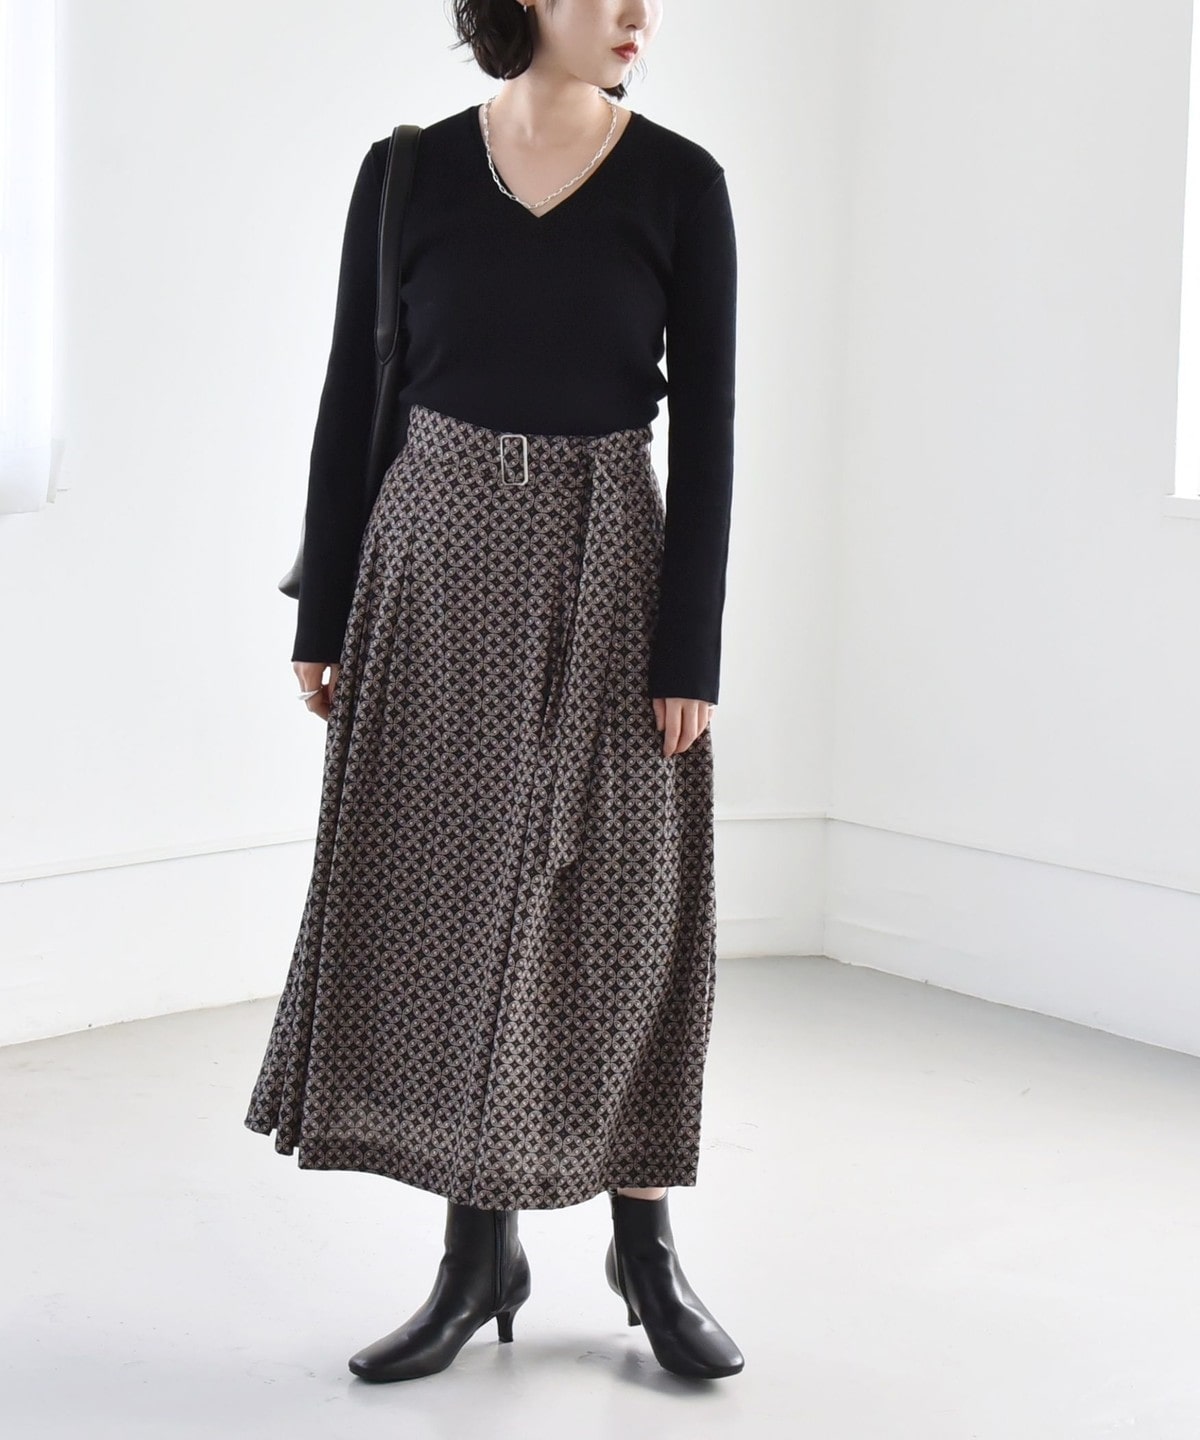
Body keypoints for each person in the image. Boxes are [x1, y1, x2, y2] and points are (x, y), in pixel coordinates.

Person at [244, 0, 742, 1383]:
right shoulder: (406, 174)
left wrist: (689, 649)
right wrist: (326, 611)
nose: (638, 14)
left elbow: (709, 423)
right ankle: (478, 1257)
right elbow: (354, 397)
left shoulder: (681, 185)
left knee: (629, 913)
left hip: (613, 572)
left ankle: (645, 1249)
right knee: (456, 906)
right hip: (434, 572)